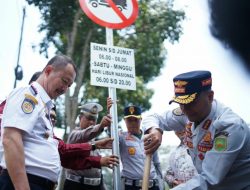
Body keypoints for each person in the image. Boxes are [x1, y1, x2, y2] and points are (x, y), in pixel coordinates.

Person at [0, 55, 118, 190]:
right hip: (26, 182)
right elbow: (10, 140)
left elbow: (61, 149)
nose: (65, 89)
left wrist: (94, 146)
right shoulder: (28, 96)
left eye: (69, 85)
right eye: (64, 81)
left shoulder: (44, 108)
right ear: (48, 71)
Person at [142, 70, 250, 190]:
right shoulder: (189, 113)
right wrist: (155, 130)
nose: (184, 109)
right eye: (180, 103)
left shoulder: (229, 126)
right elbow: (155, 118)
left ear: (210, 96)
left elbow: (209, 180)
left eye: (190, 103)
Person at [107, 100, 161, 190]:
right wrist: (110, 112)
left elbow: (157, 163)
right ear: (124, 120)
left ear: (141, 119)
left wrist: (161, 184)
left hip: (153, 185)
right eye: (129, 120)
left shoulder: (149, 136)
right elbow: (111, 132)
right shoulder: (121, 137)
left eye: (135, 120)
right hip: (132, 186)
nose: (132, 123)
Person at [63, 102, 112, 190]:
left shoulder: (94, 140)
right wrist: (101, 126)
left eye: (94, 119)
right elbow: (85, 134)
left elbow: (97, 172)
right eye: (89, 118)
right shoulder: (74, 135)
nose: (91, 122)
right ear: (80, 118)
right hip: (76, 185)